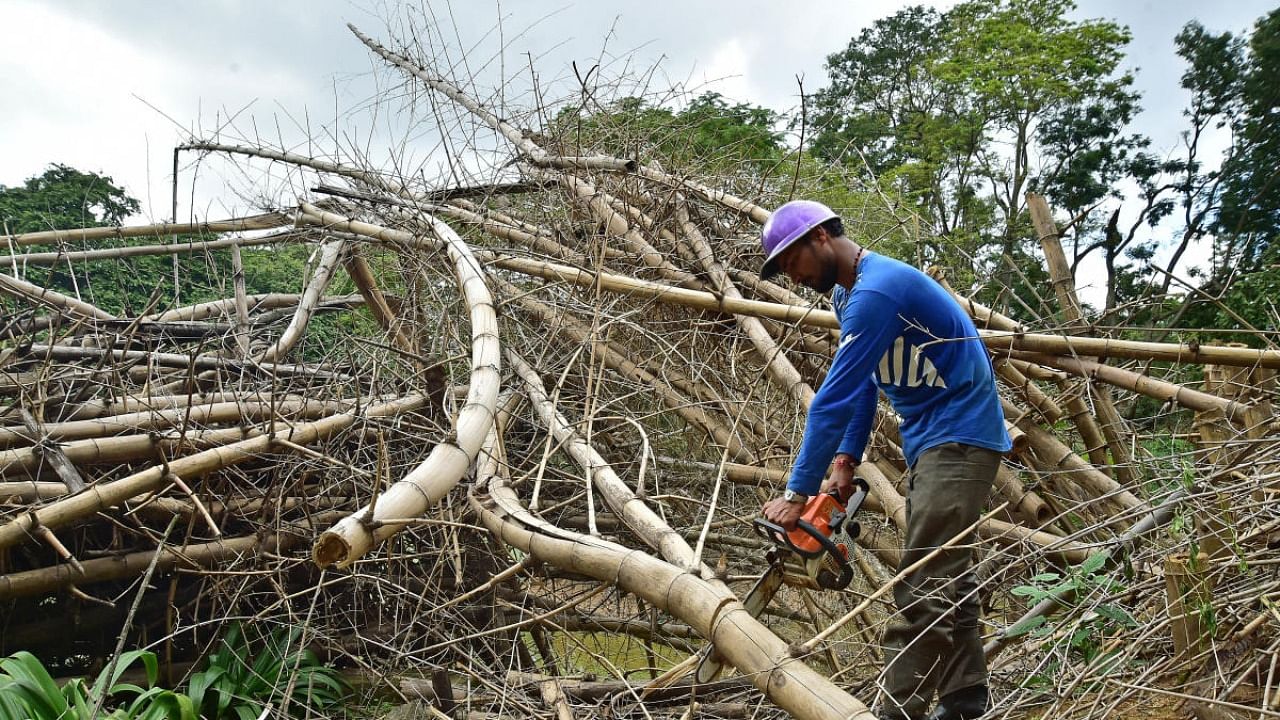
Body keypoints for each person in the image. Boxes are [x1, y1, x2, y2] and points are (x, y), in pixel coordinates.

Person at [758, 200, 1011, 720]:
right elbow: (862, 386)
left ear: (822, 237)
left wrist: (796, 493)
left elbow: (829, 398)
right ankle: (965, 702)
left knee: (925, 581)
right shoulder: (845, 292)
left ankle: (897, 712)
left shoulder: (877, 291)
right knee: (947, 573)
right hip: (930, 439)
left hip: (961, 433)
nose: (792, 274)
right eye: (781, 268)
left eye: (792, 261)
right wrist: (846, 462)